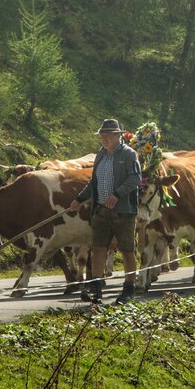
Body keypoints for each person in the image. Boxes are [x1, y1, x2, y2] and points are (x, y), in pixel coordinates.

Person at [70, 118, 141, 304]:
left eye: (108, 135)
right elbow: (94, 183)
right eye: (102, 136)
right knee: (99, 248)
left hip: (123, 212)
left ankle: (128, 289)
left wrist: (117, 194)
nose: (104, 139)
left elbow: (135, 179)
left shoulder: (128, 154)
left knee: (127, 250)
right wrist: (79, 199)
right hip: (100, 210)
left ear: (118, 136)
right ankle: (96, 289)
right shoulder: (100, 155)